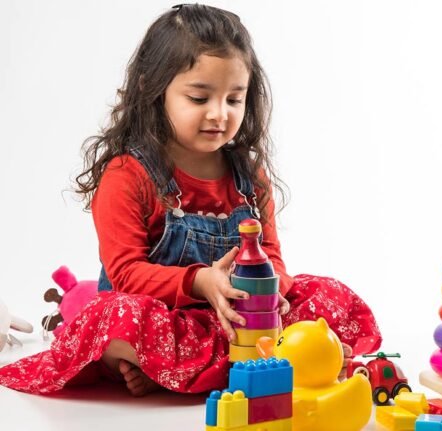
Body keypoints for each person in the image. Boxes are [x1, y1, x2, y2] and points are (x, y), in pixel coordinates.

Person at [0, 4, 381, 396]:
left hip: (238, 319)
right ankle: (168, 363)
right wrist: (201, 282)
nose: (219, 114)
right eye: (200, 98)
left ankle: (203, 366)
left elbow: (271, 252)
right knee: (111, 318)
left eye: (234, 100)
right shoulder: (127, 176)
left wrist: (273, 293)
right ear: (155, 89)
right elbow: (127, 274)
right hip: (164, 321)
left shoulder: (249, 177)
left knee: (326, 295)